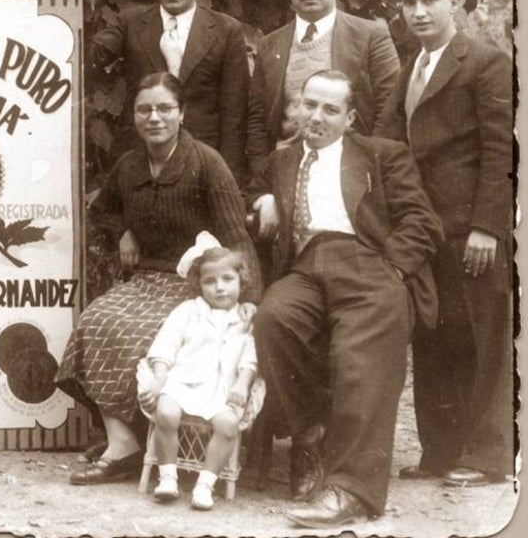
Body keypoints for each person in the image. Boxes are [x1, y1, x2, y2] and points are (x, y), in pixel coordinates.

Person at [249, 69, 442, 529]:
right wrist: (262, 198)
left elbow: (422, 221)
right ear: (296, 107)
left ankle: (351, 490)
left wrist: (391, 269)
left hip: (368, 262)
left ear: (349, 117)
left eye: (330, 109)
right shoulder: (279, 161)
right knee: (272, 321)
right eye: (308, 105)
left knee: (360, 359)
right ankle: (311, 429)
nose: (315, 116)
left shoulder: (382, 155)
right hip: (306, 267)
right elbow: (249, 197)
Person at [55, 71, 259, 486]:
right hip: (147, 277)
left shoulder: (206, 162)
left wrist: (249, 299)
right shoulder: (130, 165)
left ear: (182, 113)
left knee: (140, 332)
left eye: (165, 108)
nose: (154, 118)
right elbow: (103, 211)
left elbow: (236, 237)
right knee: (96, 321)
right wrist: (123, 232)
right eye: (144, 109)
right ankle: (123, 440)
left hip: (194, 285)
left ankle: (135, 440)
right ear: (133, 116)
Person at [374, 0, 513, 487]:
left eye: (430, 0)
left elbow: (503, 149)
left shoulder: (485, 62)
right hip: (423, 227)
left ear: (455, 0)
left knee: (482, 336)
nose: (418, 12)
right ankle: (440, 451)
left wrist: (487, 226)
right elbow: (390, 139)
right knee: (436, 336)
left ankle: (486, 455)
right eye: (409, 2)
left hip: (467, 227)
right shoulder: (412, 63)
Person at [91, 0, 250, 182]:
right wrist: (78, 4)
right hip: (141, 163)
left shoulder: (226, 30)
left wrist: (227, 180)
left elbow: (234, 116)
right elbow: (89, 59)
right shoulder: (130, 22)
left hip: (202, 167)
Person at [246, 0, 399, 175]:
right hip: (283, 172)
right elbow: (256, 120)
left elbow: (389, 110)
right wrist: (261, 174)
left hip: (349, 171)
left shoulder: (371, 35)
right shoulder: (269, 45)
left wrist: (368, 169)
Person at [137, 240, 261, 511]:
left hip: (222, 389)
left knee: (228, 424)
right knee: (166, 412)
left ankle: (205, 483)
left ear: (242, 280)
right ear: (198, 285)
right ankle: (168, 476)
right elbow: (164, 347)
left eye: (228, 279)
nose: (220, 287)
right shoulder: (187, 311)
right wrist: (159, 380)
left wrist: (242, 383)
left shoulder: (246, 318)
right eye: (209, 281)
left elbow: (250, 357)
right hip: (181, 382)